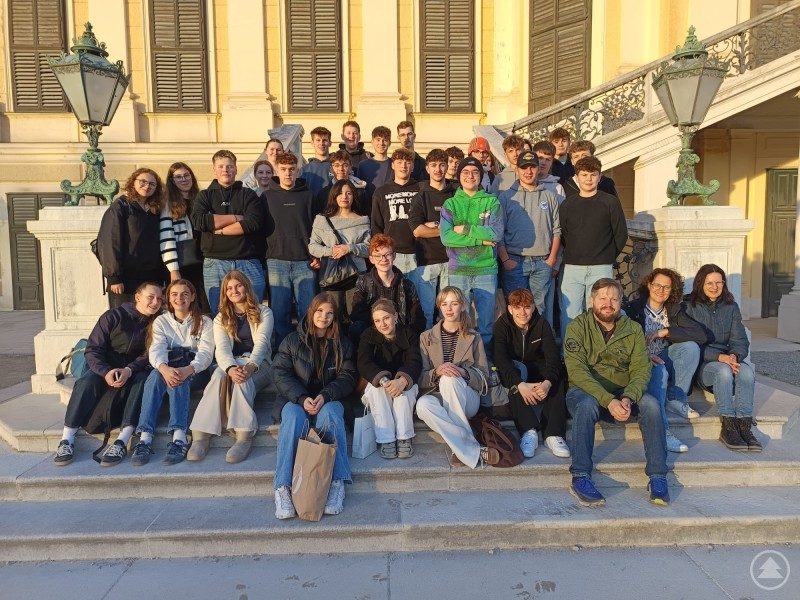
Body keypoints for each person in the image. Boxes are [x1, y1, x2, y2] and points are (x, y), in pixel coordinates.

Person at [565, 278, 669, 507]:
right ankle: (580, 476)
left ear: (621, 302)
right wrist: (608, 400)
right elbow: (578, 371)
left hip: (622, 395)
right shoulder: (577, 327)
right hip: (585, 392)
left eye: (614, 298)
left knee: (651, 405)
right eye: (602, 298)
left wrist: (628, 398)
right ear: (591, 301)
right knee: (587, 404)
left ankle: (658, 476)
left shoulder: (632, 329)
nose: (608, 303)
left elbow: (641, 370)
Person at [53, 283, 163, 466]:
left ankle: (122, 440)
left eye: (159, 299)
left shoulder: (158, 322)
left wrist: (129, 370)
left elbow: (151, 354)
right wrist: (106, 371)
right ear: (137, 297)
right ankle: (67, 439)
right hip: (106, 366)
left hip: (134, 369)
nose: (155, 302)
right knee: (87, 382)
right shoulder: (114, 316)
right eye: (150, 297)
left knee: (141, 382)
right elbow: (93, 349)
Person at [273, 292, 356, 519]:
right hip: (296, 400)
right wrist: (301, 398)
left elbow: (348, 376)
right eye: (319, 311)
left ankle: (337, 483)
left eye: (329, 313)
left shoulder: (343, 344)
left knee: (330, 415)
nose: (324, 317)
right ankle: (283, 488)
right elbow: (280, 374)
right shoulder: (291, 341)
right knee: (292, 417)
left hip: (330, 399)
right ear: (311, 312)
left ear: (335, 317)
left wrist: (326, 395)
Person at [188, 271, 274, 463]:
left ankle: (243, 436)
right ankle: (201, 434)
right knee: (218, 376)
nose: (234, 291)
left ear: (246, 287)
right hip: (232, 362)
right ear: (225, 293)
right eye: (229, 288)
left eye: (238, 286)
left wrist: (251, 366)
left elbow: (262, 343)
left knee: (244, 381)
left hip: (260, 364)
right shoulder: (221, 318)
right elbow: (222, 349)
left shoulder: (264, 312)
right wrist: (229, 368)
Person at [624, 268, 708, 453]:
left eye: (667, 287)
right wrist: (643, 355)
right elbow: (620, 341)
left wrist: (665, 331)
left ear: (672, 290)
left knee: (690, 347)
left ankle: (676, 397)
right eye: (657, 285)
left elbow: (701, 335)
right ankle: (663, 432)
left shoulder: (674, 310)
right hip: (641, 362)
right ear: (649, 284)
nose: (661, 290)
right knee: (659, 371)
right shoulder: (632, 309)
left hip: (663, 357)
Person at [131, 280, 214, 466]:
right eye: (174, 294)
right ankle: (145, 438)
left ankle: (179, 437)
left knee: (179, 378)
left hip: (196, 370)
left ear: (192, 297)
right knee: (155, 375)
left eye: (185, 293)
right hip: (169, 366)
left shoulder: (205, 322)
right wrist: (163, 368)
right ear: (168, 298)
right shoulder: (161, 321)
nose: (179, 298)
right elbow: (156, 349)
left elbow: (206, 354)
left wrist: (188, 369)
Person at [416, 287, 499, 468]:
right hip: (438, 397)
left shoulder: (474, 337)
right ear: (439, 307)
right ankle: (471, 449)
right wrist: (437, 371)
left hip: (467, 397)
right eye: (444, 304)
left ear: (462, 306)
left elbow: (484, 377)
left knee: (451, 378)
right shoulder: (425, 337)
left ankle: (464, 449)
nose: (449, 308)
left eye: (454, 304)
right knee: (422, 405)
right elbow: (420, 378)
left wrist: (463, 373)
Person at [686, 264, 760, 452]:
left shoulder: (731, 306)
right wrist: (719, 357)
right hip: (704, 363)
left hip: (729, 358)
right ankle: (727, 426)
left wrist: (735, 355)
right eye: (709, 282)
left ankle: (744, 426)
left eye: (719, 282)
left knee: (746, 372)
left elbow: (740, 339)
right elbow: (690, 343)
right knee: (724, 372)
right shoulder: (689, 306)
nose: (714, 286)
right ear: (700, 283)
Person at [493, 289, 569, 459]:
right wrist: (521, 385)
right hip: (516, 368)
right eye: (517, 307)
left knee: (559, 374)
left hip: (537, 366)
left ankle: (553, 434)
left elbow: (552, 356)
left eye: (527, 307)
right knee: (508, 374)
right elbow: (500, 358)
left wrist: (547, 383)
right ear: (510, 309)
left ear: (533, 307)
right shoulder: (501, 325)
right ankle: (529, 431)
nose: (522, 312)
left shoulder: (541, 323)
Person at [558, 156, 628, 341]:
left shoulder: (610, 202)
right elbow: (564, 235)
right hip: (572, 267)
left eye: (593, 175)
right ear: (577, 177)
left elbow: (621, 234)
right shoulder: (567, 205)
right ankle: (569, 355)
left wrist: (607, 255)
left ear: (599, 177)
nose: (588, 179)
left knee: (599, 313)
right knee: (569, 313)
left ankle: (596, 352)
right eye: (584, 175)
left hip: (601, 267)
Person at [190, 149, 266, 315]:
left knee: (254, 312)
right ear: (214, 170)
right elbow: (200, 221)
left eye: (230, 166)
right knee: (220, 315)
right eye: (221, 166)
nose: (226, 170)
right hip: (215, 263)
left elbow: (253, 223)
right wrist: (237, 217)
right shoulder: (204, 196)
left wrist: (219, 229)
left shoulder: (248, 195)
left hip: (248, 261)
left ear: (236, 169)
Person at [440, 157, 504, 348]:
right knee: (460, 322)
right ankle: (463, 359)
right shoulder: (450, 204)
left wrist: (465, 229)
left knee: (486, 323)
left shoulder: (492, 202)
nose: (470, 176)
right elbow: (446, 237)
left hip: (486, 269)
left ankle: (486, 364)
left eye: (475, 172)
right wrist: (481, 239)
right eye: (465, 172)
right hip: (458, 269)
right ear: (459, 176)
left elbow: (495, 233)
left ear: (481, 176)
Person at [497, 151, 561, 329]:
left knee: (538, 310)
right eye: (524, 167)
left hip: (542, 263)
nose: (528, 171)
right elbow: (498, 232)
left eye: (532, 167)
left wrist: (552, 259)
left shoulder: (549, 196)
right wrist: (506, 260)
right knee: (516, 311)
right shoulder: (505, 198)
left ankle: (535, 352)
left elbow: (557, 230)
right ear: (517, 170)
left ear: (537, 168)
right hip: (515, 262)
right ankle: (516, 352)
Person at [263, 152, 319, 344]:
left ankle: (308, 349)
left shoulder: (309, 196)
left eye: (292, 169)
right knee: (279, 313)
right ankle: (283, 354)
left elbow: (317, 228)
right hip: (276, 261)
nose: (288, 173)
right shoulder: (267, 197)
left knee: (308, 311)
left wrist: (317, 254)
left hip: (305, 261)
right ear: (277, 171)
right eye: (284, 170)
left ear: (297, 171)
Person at [358, 299, 422, 459]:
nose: (383, 324)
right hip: (380, 383)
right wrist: (384, 381)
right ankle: (386, 439)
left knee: (404, 393)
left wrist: (402, 381)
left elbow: (415, 361)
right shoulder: (368, 335)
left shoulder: (409, 334)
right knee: (377, 391)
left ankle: (404, 438)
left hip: (404, 380)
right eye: (377, 321)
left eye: (386, 318)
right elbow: (363, 362)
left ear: (395, 316)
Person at [98, 169, 166, 308]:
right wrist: (114, 277)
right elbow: (110, 242)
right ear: (133, 183)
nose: (147, 186)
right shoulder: (120, 207)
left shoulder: (155, 210)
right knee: (125, 320)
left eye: (152, 184)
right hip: (126, 279)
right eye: (143, 182)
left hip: (151, 278)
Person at [308, 179, 371, 317]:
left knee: (356, 315)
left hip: (357, 275)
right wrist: (332, 251)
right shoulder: (322, 219)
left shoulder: (363, 220)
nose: (345, 197)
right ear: (334, 195)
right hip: (331, 275)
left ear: (354, 196)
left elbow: (369, 249)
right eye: (340, 193)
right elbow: (313, 247)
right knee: (332, 314)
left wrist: (349, 248)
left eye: (349, 193)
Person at [408, 149, 455, 328]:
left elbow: (462, 228)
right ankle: (426, 352)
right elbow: (418, 231)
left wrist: (432, 225)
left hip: (451, 261)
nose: (438, 169)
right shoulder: (420, 196)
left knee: (449, 314)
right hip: (426, 262)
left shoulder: (455, 195)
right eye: (434, 165)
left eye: (442, 165)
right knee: (426, 313)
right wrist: (447, 228)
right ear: (427, 168)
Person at [350, 234, 426, 341]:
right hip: (373, 331)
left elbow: (418, 317)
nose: (383, 259)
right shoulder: (363, 281)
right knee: (356, 328)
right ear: (371, 259)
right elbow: (357, 313)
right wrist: (381, 325)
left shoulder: (407, 284)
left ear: (394, 256)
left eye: (387, 254)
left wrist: (405, 334)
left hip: (400, 333)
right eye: (378, 255)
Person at [161, 162, 209, 313]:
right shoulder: (168, 204)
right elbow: (166, 238)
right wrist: (173, 269)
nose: (184, 179)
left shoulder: (200, 199)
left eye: (186, 175)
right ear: (171, 181)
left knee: (206, 306)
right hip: (184, 263)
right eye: (178, 177)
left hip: (204, 260)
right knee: (188, 306)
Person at [370, 148, 419, 275]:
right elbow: (376, 226)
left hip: (418, 253)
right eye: (399, 162)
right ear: (392, 165)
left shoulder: (421, 190)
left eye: (407, 162)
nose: (403, 166)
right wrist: (380, 253)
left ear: (413, 166)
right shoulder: (381, 192)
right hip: (392, 254)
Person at [316, 150, 369, 217]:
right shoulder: (323, 194)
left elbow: (367, 217)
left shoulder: (360, 192)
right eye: (337, 165)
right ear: (331, 169)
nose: (341, 169)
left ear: (350, 168)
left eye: (345, 165)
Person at [301, 126, 332, 196]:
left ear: (330, 143)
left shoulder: (337, 167)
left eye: (325, 140)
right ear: (312, 143)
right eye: (318, 140)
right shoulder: (304, 170)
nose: (321, 143)